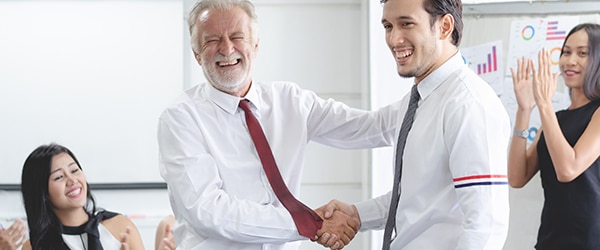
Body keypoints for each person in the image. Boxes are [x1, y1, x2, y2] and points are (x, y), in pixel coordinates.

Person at [157, 0, 403, 249]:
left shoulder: (290, 101)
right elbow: (208, 212)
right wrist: (309, 224)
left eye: (237, 36)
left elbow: (374, 128)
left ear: (255, 45)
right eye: (212, 40)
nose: (227, 48)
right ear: (197, 54)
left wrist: (431, 86)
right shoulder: (180, 118)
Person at [319, 0, 511, 249]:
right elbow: (417, 199)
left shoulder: (469, 105)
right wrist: (357, 215)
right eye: (388, 26)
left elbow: (486, 228)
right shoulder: (415, 103)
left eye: (406, 24)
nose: (394, 39)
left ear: (444, 26)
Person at [508, 23, 600, 249]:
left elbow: (568, 169)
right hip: (550, 237)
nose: (570, 61)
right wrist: (525, 110)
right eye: (566, 52)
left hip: (589, 239)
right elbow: (517, 177)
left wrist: (544, 104)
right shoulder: (555, 119)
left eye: (582, 53)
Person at [20, 143, 144, 250]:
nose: (72, 180)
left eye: (74, 170)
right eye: (59, 177)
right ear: (42, 193)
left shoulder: (120, 226)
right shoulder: (35, 247)